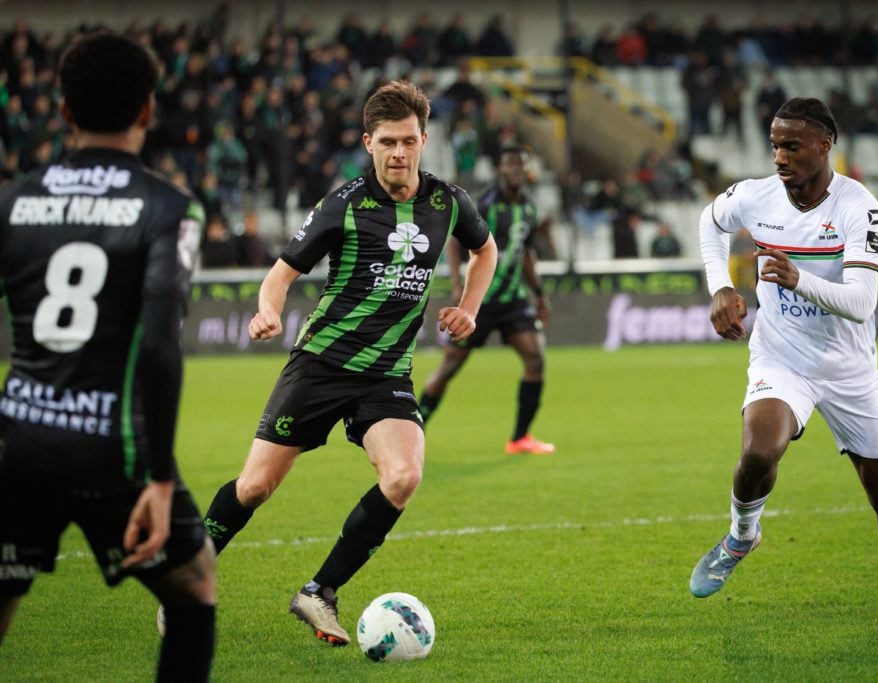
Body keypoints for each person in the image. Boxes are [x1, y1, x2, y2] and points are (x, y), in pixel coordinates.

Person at [200, 80, 497, 646]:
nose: (399, 153)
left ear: (424, 139)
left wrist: (468, 308)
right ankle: (188, 577)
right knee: (255, 488)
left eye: (409, 141)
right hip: (320, 366)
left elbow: (487, 250)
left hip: (386, 375)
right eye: (387, 142)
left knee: (405, 476)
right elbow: (282, 272)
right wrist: (267, 311)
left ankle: (319, 592)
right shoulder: (344, 204)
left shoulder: (447, 202)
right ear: (368, 142)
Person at [0, 32, 216, 680]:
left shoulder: (12, 202)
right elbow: (157, 343)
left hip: (19, 442)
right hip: (113, 449)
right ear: (148, 110)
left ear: (62, 110)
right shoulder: (169, 208)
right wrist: (157, 477)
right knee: (194, 583)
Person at [690, 97, 878, 610]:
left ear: (824, 144)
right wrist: (719, 286)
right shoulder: (755, 197)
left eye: (791, 146)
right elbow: (710, 222)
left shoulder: (858, 207)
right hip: (782, 357)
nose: (779, 157)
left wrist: (798, 277)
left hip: (849, 370)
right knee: (757, 451)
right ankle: (741, 536)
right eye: (774, 146)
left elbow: (861, 303)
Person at [419, 146, 554, 455]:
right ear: (500, 170)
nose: (516, 170)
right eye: (510, 165)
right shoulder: (486, 204)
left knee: (535, 358)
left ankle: (520, 438)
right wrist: (456, 284)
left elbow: (526, 253)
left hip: (513, 300)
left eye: (521, 165)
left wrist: (539, 293)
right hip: (479, 300)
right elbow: (455, 239)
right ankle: (414, 428)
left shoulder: (530, 209)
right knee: (449, 368)